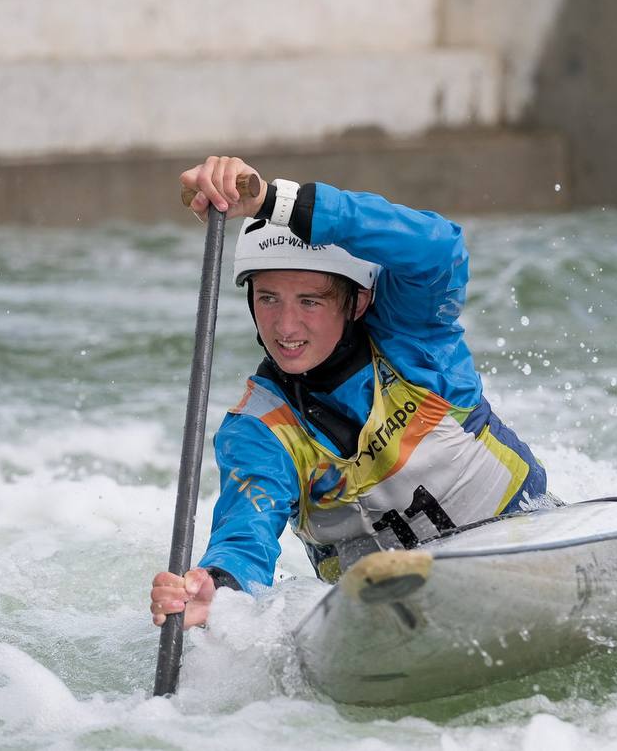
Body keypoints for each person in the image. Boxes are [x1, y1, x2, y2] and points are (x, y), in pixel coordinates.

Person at [150, 156, 550, 630]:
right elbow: (245, 537)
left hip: (532, 543)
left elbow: (439, 248)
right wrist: (219, 586)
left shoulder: (413, 338)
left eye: (310, 301)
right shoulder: (259, 429)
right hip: (389, 619)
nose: (285, 326)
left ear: (357, 300)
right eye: (268, 298)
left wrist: (275, 202)